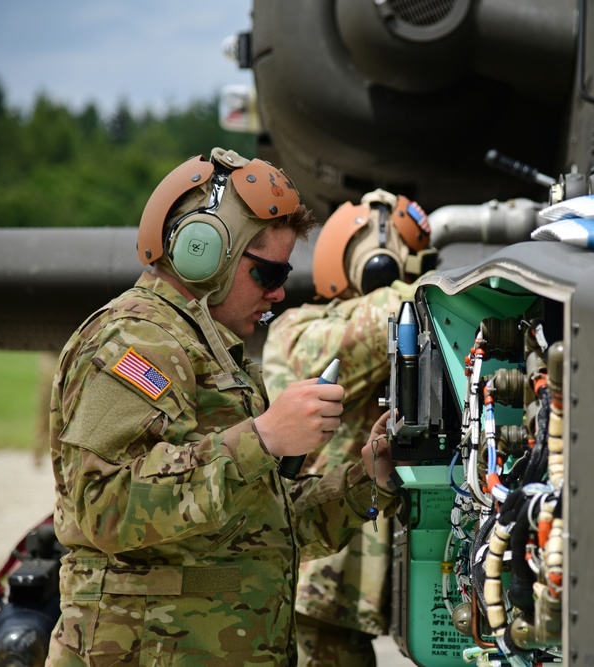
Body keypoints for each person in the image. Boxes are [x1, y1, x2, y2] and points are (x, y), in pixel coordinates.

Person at [45, 148, 400, 666]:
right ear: (204, 254)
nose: (279, 293)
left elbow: (260, 527)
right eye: (267, 273)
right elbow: (106, 507)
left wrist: (369, 480)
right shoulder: (135, 342)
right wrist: (265, 439)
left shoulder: (209, 352)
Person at [262, 189, 438, 667]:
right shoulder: (299, 330)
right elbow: (364, 329)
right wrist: (430, 284)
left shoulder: (413, 333)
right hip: (310, 584)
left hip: (350, 596)